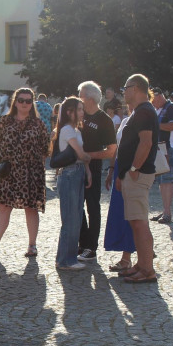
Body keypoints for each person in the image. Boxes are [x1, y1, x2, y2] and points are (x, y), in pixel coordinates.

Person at [0, 87, 48, 258]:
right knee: (4, 207)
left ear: (32, 103)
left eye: (28, 101)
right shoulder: (5, 121)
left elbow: (45, 148)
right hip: (9, 172)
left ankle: (32, 246)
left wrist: (33, 160)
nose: (24, 103)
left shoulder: (38, 124)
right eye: (21, 100)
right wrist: (4, 159)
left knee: (31, 208)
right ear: (15, 102)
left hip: (31, 172)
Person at [115, 74, 159, 284]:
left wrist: (133, 168)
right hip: (133, 174)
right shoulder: (141, 111)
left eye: (126, 87)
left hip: (138, 174)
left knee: (140, 223)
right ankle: (142, 265)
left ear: (136, 88)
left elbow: (146, 143)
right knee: (136, 222)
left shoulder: (144, 111)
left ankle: (147, 269)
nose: (123, 92)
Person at [76, 81, 117, 263]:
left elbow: (111, 150)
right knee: (77, 206)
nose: (78, 97)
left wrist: (88, 156)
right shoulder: (79, 114)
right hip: (75, 167)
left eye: (81, 94)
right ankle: (83, 242)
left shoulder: (104, 120)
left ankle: (91, 247)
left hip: (93, 167)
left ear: (90, 98)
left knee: (92, 206)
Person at [52, 97, 91, 271]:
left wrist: (88, 171)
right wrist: (88, 158)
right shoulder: (67, 130)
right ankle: (64, 260)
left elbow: (83, 157)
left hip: (78, 172)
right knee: (70, 219)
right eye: (80, 109)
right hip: (69, 174)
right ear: (70, 112)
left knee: (76, 218)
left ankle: (70, 257)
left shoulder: (76, 130)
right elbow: (81, 154)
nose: (83, 112)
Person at [103, 109, 137, 273]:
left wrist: (130, 170)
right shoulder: (125, 121)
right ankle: (140, 251)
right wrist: (111, 170)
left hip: (130, 169)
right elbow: (116, 148)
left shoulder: (142, 118)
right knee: (121, 212)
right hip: (119, 167)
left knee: (131, 213)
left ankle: (127, 258)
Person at [149, 88, 173, 224]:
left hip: (168, 148)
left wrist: (155, 125)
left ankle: (167, 213)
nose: (153, 103)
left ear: (159, 96)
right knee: (162, 181)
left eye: (153, 100)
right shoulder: (159, 109)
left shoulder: (172, 108)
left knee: (166, 181)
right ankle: (165, 210)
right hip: (160, 148)